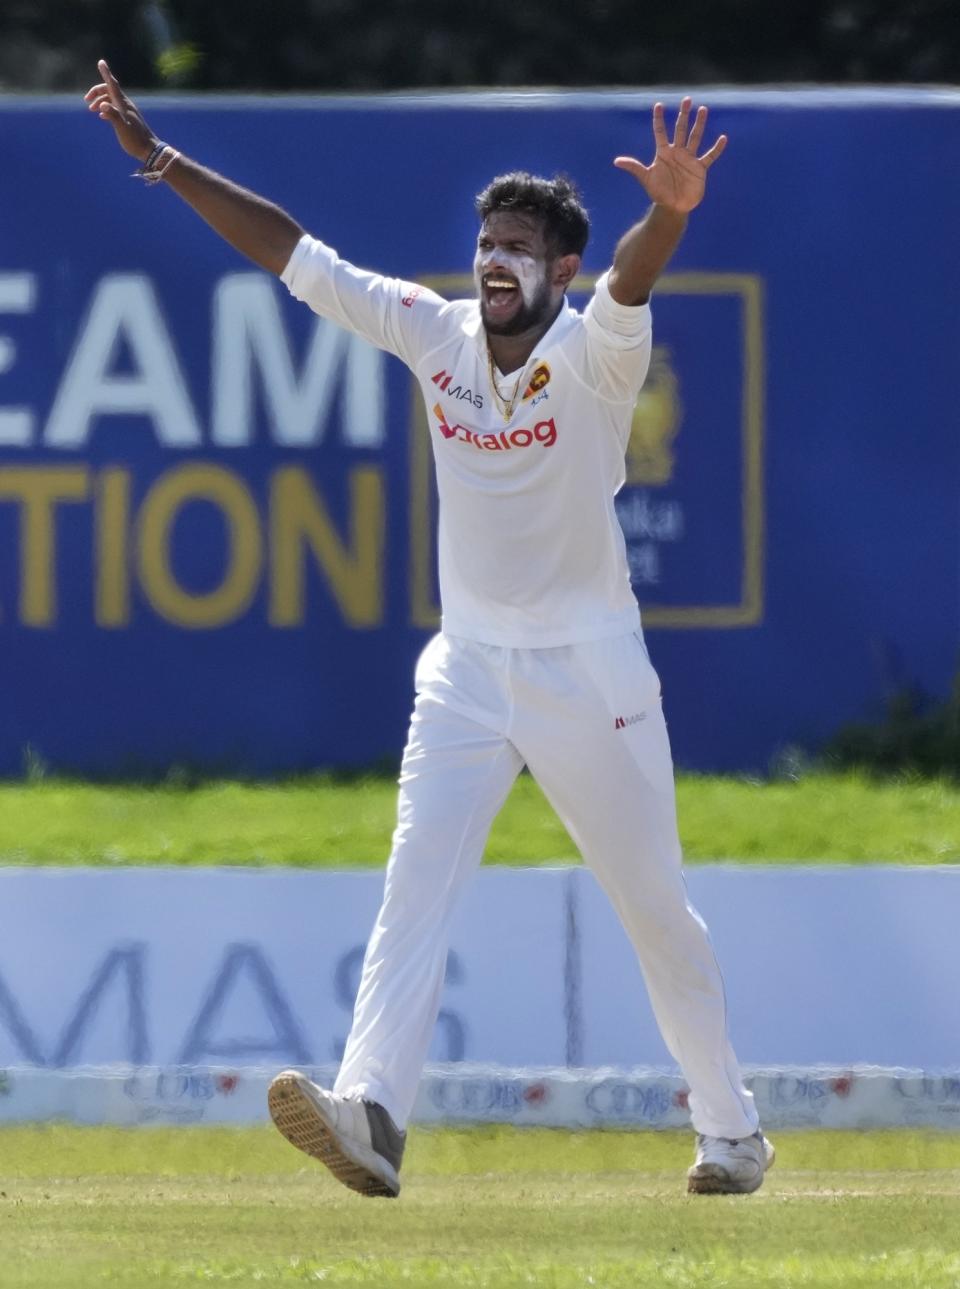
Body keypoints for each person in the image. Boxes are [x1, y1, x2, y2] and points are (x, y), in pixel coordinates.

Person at [86, 60, 774, 1198]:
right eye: (485, 239)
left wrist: (668, 211)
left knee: (653, 905)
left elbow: (633, 283)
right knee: (414, 884)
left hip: (588, 664)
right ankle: (374, 1115)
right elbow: (295, 255)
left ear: (560, 269)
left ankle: (732, 1129)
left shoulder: (596, 356)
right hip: (465, 666)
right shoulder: (434, 332)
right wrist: (159, 160)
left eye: (517, 246)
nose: (492, 259)